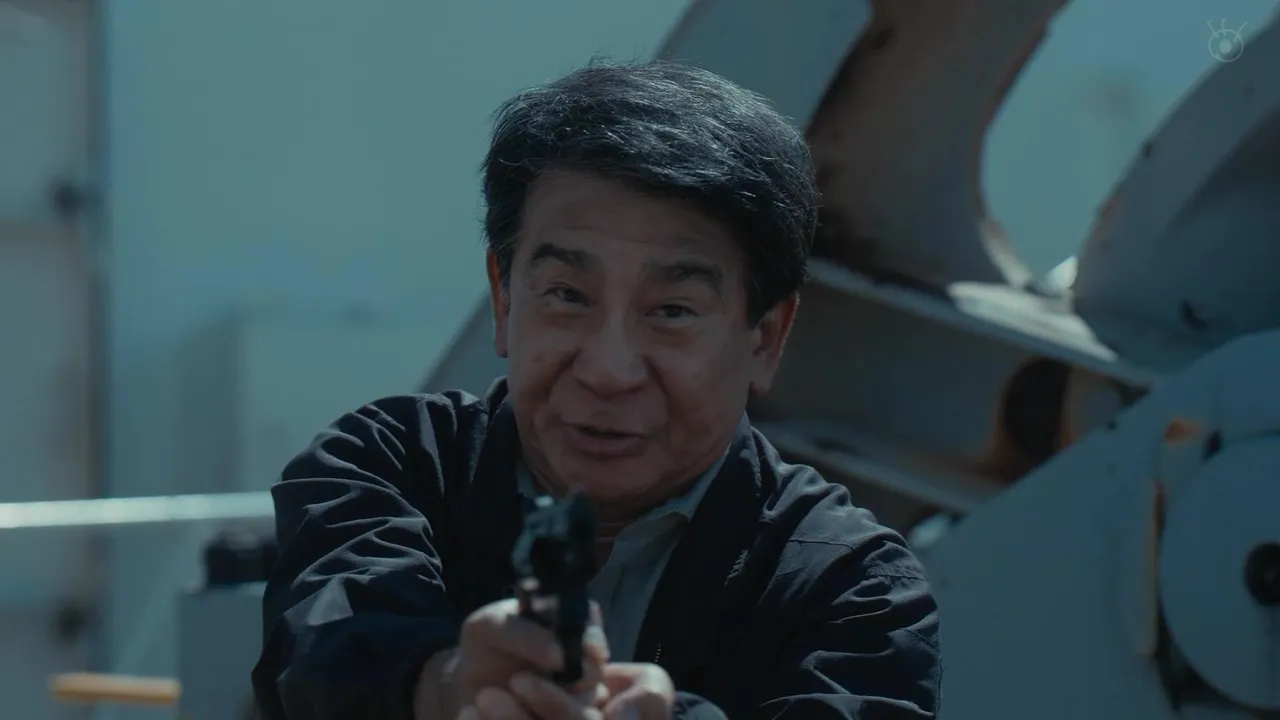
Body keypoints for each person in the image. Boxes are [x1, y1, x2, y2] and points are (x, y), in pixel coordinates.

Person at [252, 60, 941, 720]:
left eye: (671, 311)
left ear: (764, 337)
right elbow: (324, 649)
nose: (610, 370)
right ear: (503, 299)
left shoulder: (851, 585)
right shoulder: (389, 465)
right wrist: (450, 688)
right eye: (568, 295)